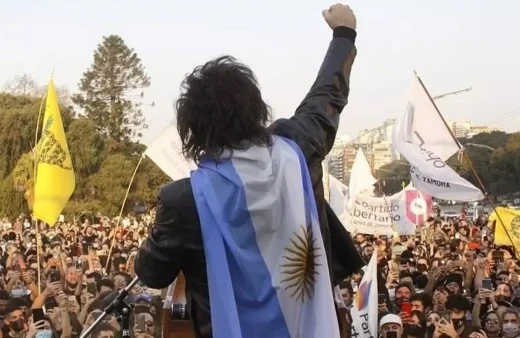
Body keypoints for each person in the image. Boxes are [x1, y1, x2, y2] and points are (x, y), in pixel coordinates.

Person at [135, 3, 363, 337]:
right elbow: (326, 96)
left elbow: (152, 273)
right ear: (255, 108)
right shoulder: (297, 147)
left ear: (192, 129)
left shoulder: (184, 199)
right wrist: (344, 34)